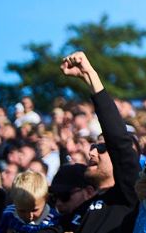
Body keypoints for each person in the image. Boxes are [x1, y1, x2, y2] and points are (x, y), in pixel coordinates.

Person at [57, 53, 138, 233]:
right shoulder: (80, 210)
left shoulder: (129, 196)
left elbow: (118, 140)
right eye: (93, 146)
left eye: (102, 148)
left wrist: (90, 76)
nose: (92, 153)